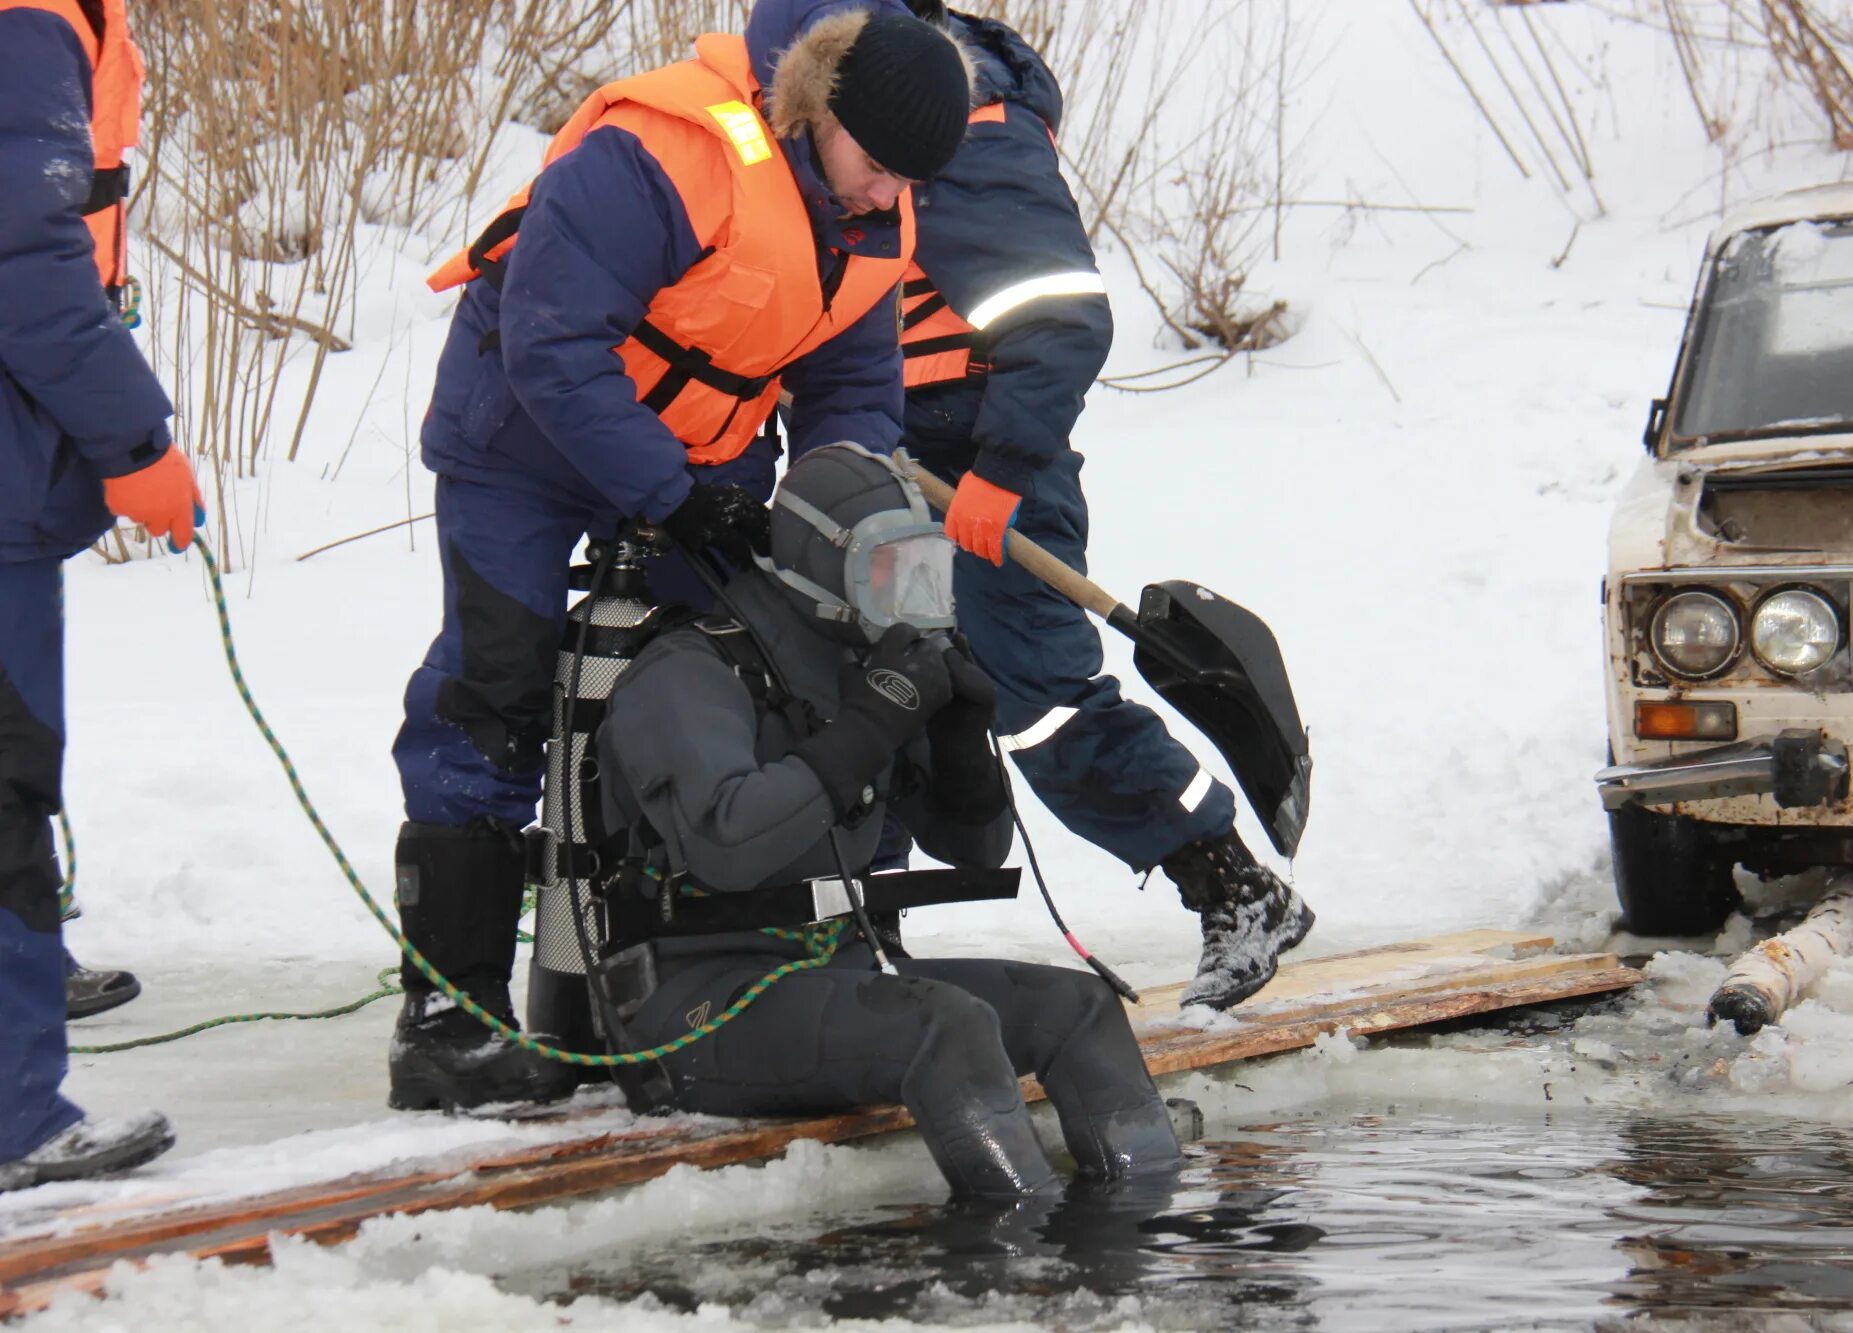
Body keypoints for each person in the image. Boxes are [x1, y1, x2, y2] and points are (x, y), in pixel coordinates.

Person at [388, 3, 977, 1112]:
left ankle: (672, 991)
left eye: (911, 182)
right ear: (817, 116)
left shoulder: (869, 215)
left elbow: (851, 388)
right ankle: (446, 1023)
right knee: (494, 690)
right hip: (524, 435)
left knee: (728, 680)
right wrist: (667, 496)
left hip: (702, 462)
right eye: (880, 167)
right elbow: (552, 346)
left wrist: (839, 524)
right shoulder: (658, 154)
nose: (889, 196)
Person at [591, 444, 1184, 1196]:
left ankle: (1148, 1223)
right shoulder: (685, 671)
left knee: (1078, 1008)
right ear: (820, 564)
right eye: (889, 569)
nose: (912, 593)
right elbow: (728, 844)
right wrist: (872, 723)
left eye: (927, 569)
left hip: (828, 977)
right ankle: (1021, 1249)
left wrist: (962, 743)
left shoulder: (860, 667)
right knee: (947, 1025)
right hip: (695, 1010)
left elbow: (973, 848)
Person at [883, 0, 1314, 1009]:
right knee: (884, 696)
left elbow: (1058, 319)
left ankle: (1232, 884)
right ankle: (869, 934)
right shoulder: (863, 106)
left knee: (1037, 703)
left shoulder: (955, 110)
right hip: (888, 460)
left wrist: (996, 470)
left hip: (976, 451)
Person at [1, 0, 194, 1189]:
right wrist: (136, 445)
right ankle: (17, 1114)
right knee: (6, 781)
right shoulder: (26, 24)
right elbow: (26, 262)